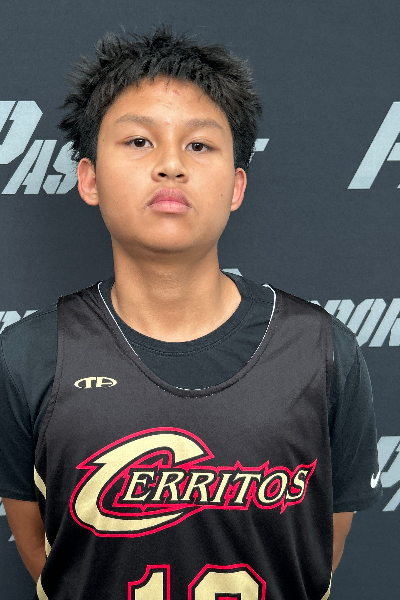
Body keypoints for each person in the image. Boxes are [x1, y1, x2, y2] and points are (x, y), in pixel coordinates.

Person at [0, 26, 382, 600]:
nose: (171, 165)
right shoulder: (28, 354)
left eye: (199, 146)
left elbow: (318, 551)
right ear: (89, 178)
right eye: (139, 141)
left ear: (237, 186)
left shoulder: (322, 350)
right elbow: (40, 547)